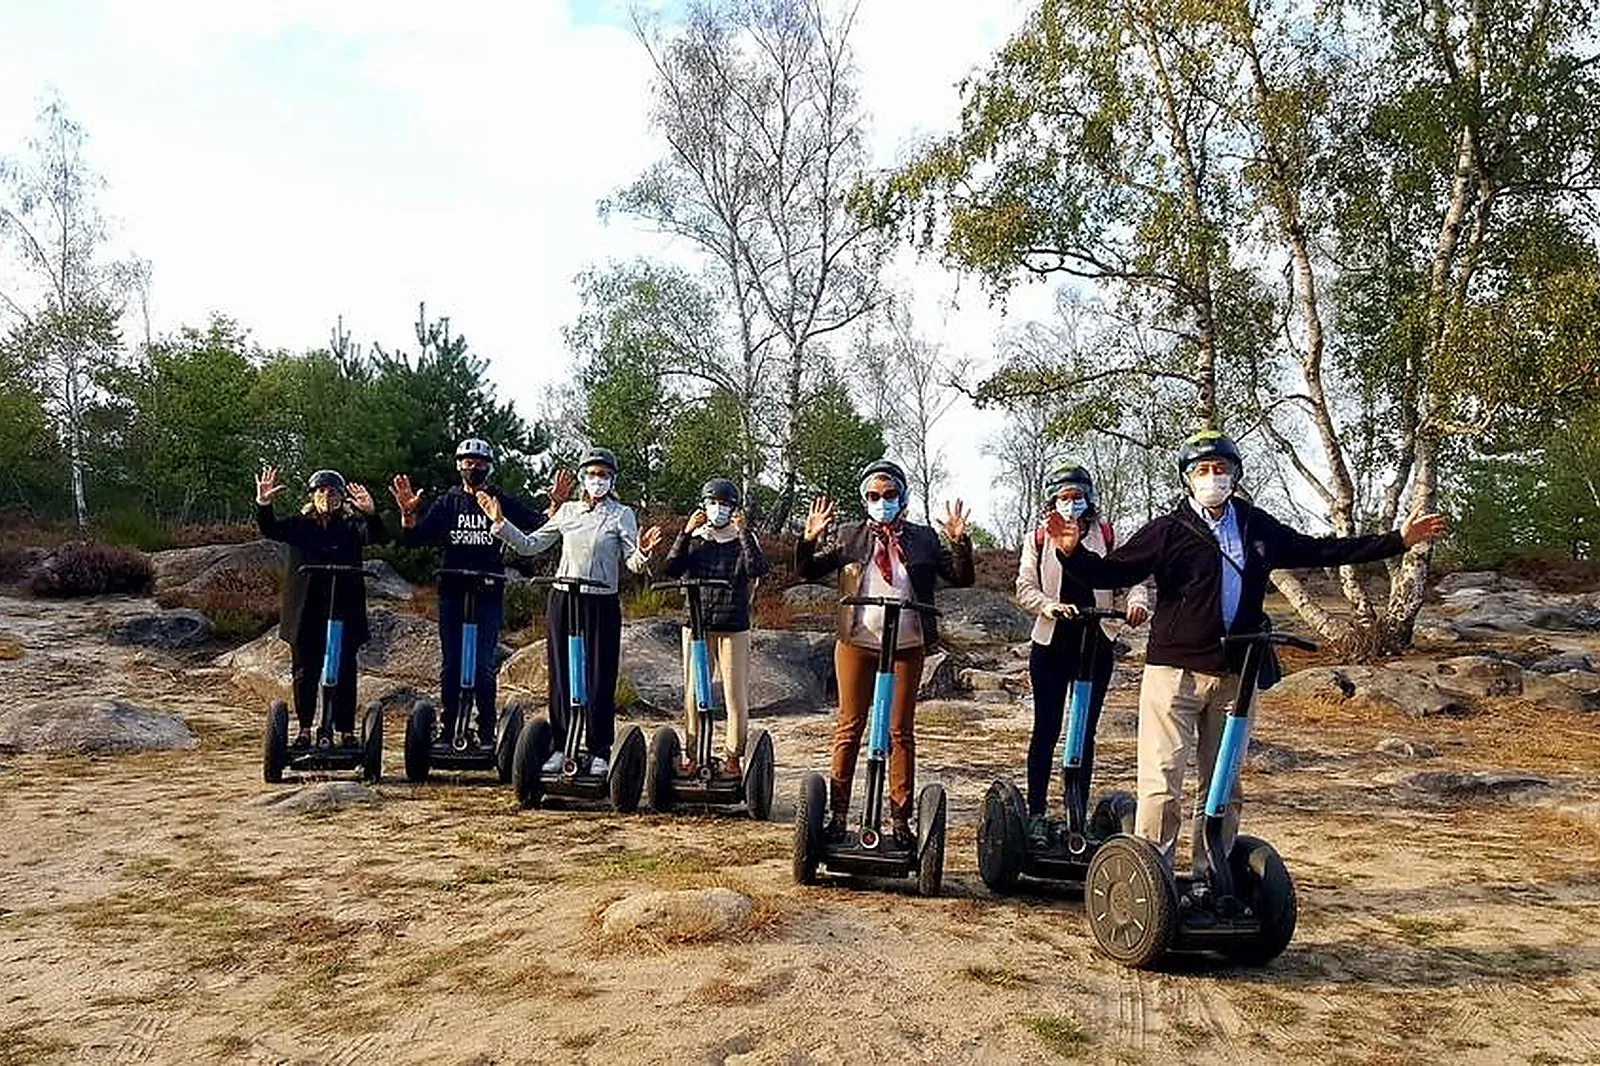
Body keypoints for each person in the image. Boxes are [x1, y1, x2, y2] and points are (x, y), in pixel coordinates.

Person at [1050, 430, 1447, 879]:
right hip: (1173, 673)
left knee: (1223, 786)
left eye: (1220, 468)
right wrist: (1072, 555)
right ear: (1187, 478)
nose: (1212, 477)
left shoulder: (1255, 525)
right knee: (1161, 785)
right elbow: (1112, 571)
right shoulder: (1167, 530)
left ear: (1235, 475)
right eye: (1202, 470)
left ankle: (1211, 877)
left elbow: (1319, 549)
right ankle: (1152, 881)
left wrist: (1397, 540)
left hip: (1235, 675)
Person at [796, 458, 975, 849]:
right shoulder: (849, 536)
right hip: (857, 642)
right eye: (874, 496)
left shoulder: (923, 538)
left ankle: (900, 820)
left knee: (900, 731)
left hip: (907, 644)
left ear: (902, 497)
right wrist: (809, 540)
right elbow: (807, 571)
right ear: (865, 499)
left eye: (890, 494)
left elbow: (962, 577)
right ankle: (838, 815)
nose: (882, 501)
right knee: (850, 726)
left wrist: (959, 543)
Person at [475, 447, 662, 775]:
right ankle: (562, 746)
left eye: (603, 474)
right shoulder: (568, 511)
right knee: (562, 675)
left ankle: (600, 750)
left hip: (601, 600)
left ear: (612, 479)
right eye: (592, 473)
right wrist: (500, 523)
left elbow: (632, 563)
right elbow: (530, 545)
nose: (597, 479)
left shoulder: (621, 514)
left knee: (600, 676)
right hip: (564, 598)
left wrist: (644, 552)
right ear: (582, 477)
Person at [387, 439, 570, 750]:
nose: (474, 468)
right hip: (453, 591)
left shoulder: (500, 500)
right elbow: (416, 538)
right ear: (459, 465)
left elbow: (539, 527)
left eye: (480, 463)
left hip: (487, 590)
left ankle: (486, 730)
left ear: (489, 467)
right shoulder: (448, 503)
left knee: (484, 667)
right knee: (451, 666)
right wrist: (407, 514)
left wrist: (556, 505)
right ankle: (449, 728)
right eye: (468, 462)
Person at [1014, 461, 1150, 841]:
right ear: (1052, 500)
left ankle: (1077, 813)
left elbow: (1133, 577)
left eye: (1077, 496)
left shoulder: (1107, 534)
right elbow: (1024, 586)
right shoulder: (1037, 537)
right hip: (1052, 641)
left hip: (1096, 640)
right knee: (1046, 728)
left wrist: (1137, 602)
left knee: (1085, 732)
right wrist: (1048, 605)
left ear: (1088, 498)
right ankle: (1037, 813)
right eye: (1064, 496)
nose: (1071, 503)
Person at [255, 466, 385, 748]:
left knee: (345, 669)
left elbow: (375, 536)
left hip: (344, 608)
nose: (328, 497)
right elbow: (270, 528)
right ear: (312, 496)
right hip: (306, 610)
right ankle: (304, 729)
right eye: (322, 491)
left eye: (334, 493)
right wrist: (264, 503)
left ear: (342, 498)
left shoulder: (350, 526)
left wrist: (370, 513)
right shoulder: (300, 525)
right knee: (305, 670)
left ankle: (346, 731)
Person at [661, 477, 770, 777]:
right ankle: (693, 755)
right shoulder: (696, 537)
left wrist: (744, 532)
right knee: (694, 694)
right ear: (703, 505)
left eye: (724, 504)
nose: (718, 509)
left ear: (733, 508)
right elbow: (671, 568)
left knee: (735, 695)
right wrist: (684, 533)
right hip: (697, 624)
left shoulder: (743, 537)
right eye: (712, 503)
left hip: (733, 625)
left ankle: (733, 757)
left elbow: (756, 569)